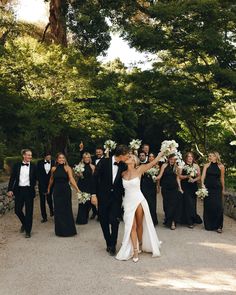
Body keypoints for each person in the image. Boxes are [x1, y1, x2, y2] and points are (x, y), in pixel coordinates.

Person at [116, 152, 163, 263]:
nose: (128, 157)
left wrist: (160, 154)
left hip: (139, 200)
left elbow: (153, 163)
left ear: (134, 161)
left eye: (131, 157)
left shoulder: (140, 169)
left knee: (139, 224)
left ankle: (141, 243)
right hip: (127, 201)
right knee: (131, 226)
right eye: (128, 156)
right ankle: (135, 250)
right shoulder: (122, 173)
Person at [91, 145, 129, 256]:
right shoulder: (103, 162)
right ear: (121, 154)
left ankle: (113, 245)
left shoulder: (124, 166)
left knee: (114, 220)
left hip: (116, 198)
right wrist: (93, 194)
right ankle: (108, 242)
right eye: (127, 155)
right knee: (103, 220)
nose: (128, 157)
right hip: (102, 197)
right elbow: (94, 178)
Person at [7, 149, 37, 238]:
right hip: (19, 190)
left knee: (29, 211)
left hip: (29, 191)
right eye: (28, 155)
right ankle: (24, 223)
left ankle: (28, 231)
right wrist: (10, 189)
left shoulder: (34, 166)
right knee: (17, 210)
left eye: (31, 155)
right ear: (23, 155)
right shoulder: (16, 165)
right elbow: (12, 178)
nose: (30, 157)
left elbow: (38, 177)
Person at [48, 153, 79, 237]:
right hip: (56, 191)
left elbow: (71, 179)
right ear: (57, 160)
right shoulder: (53, 169)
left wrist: (77, 189)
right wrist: (48, 188)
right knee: (58, 210)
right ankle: (59, 231)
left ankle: (69, 231)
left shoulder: (68, 168)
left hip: (65, 190)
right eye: (60, 158)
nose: (61, 159)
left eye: (63, 158)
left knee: (66, 209)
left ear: (65, 159)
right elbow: (51, 179)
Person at [157, 154, 182, 230]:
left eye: (174, 159)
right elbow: (160, 176)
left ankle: (173, 222)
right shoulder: (164, 165)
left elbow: (178, 178)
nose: (172, 160)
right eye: (171, 159)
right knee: (167, 205)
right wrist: (156, 180)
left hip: (174, 188)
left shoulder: (177, 167)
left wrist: (180, 188)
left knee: (174, 205)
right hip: (165, 189)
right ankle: (168, 220)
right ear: (168, 159)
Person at [201, 152, 225, 233]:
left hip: (217, 189)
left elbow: (222, 179)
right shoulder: (206, 165)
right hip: (208, 189)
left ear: (216, 157)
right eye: (209, 156)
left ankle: (219, 226)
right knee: (208, 206)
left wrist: (223, 189)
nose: (209, 157)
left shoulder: (221, 167)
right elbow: (203, 176)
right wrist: (202, 185)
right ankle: (209, 225)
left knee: (218, 207)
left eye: (211, 156)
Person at [178, 152, 202, 228]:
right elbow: (179, 176)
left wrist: (194, 180)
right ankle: (189, 221)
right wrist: (187, 176)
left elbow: (199, 176)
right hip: (185, 186)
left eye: (191, 156)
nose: (190, 158)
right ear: (186, 158)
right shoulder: (182, 165)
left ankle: (192, 218)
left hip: (193, 186)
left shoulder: (196, 166)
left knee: (193, 203)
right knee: (187, 203)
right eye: (188, 156)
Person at [76, 152, 95, 224]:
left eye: (88, 157)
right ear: (83, 158)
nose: (86, 159)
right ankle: (81, 219)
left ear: (90, 158)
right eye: (85, 157)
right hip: (82, 185)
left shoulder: (92, 167)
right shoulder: (80, 166)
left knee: (88, 203)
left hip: (89, 185)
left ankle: (86, 215)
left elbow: (93, 177)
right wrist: (79, 174)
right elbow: (77, 177)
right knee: (82, 202)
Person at [140, 152, 158, 226]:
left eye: (152, 156)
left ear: (154, 158)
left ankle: (153, 220)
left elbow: (158, 178)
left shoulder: (157, 166)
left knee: (152, 203)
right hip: (144, 186)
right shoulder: (145, 165)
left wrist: (158, 186)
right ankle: (144, 220)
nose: (151, 158)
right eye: (149, 156)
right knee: (145, 203)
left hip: (152, 186)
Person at [37, 152, 55, 223]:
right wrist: (42, 185)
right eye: (47, 156)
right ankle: (44, 217)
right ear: (44, 157)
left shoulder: (53, 162)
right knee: (42, 201)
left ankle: (51, 210)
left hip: (51, 184)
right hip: (42, 184)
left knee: (49, 198)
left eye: (50, 156)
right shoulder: (39, 163)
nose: (49, 157)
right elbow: (38, 174)